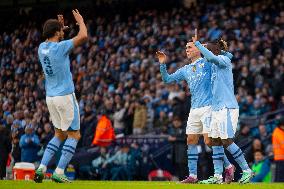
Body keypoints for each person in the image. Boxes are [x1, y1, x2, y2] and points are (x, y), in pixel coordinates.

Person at [156, 34, 233, 183]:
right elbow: (166, 79)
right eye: (186, 48)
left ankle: (227, 167)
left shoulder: (208, 61)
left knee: (209, 141)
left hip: (209, 106)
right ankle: (193, 176)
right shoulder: (185, 69)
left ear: (198, 49)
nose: (187, 50)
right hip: (194, 108)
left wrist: (206, 47)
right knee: (191, 140)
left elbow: (228, 56)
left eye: (189, 47)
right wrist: (162, 64)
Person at [34, 10, 88, 183]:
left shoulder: (42, 48)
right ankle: (59, 171)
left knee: (59, 134)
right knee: (74, 135)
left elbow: (57, 47)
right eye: (59, 31)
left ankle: (41, 169)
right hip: (65, 96)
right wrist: (80, 22)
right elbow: (84, 36)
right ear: (56, 33)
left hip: (50, 97)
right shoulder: (60, 47)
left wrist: (59, 30)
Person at [192, 30, 253, 184]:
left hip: (227, 107)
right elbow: (210, 57)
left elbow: (218, 55)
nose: (207, 53)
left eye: (211, 50)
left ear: (217, 50)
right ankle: (218, 176)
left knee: (226, 140)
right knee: (214, 141)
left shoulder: (224, 60)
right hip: (216, 108)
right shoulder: (213, 64)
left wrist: (199, 45)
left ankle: (246, 170)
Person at [272, 117, 284, 182]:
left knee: (279, 178)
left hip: (280, 158)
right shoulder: (278, 132)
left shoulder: (280, 131)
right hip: (281, 158)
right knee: (280, 179)